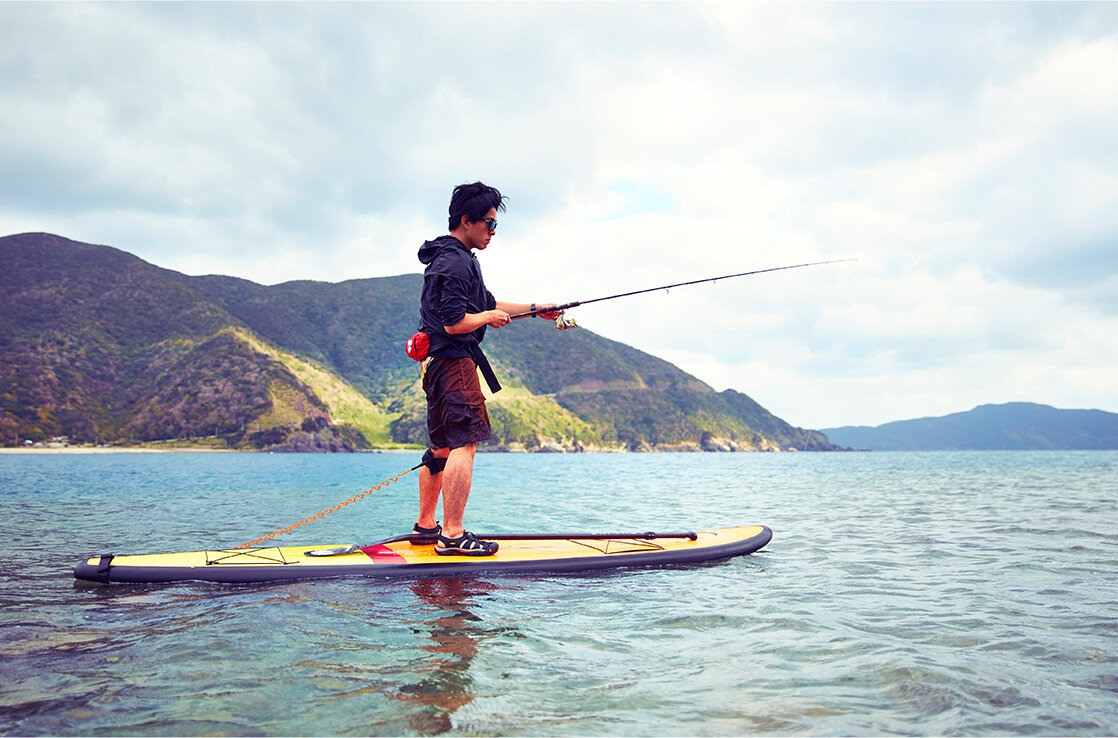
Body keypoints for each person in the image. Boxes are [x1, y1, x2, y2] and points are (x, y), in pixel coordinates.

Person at [412, 182, 561, 556]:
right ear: (467, 221)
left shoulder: (449, 257)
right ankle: (453, 535)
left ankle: (426, 527)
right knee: (465, 443)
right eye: (489, 225)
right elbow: (452, 322)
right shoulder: (456, 261)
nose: (493, 233)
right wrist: (486, 319)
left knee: (441, 448)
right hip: (455, 364)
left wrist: (535, 308)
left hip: (434, 366)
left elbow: (488, 302)